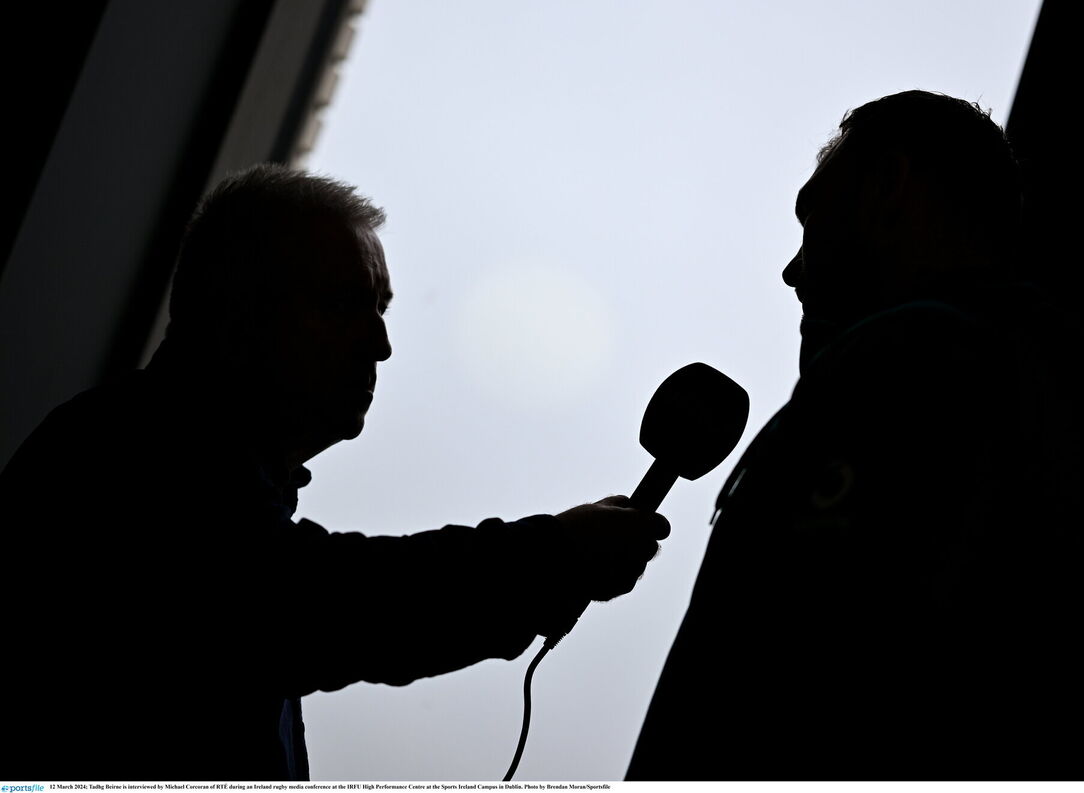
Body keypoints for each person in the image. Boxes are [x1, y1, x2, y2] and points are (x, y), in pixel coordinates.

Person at [0, 164, 669, 781]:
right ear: (236, 312)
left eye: (380, 308)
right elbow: (323, 602)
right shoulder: (126, 457)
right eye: (344, 304)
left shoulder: (174, 464)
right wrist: (553, 555)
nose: (379, 343)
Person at [626, 90, 1084, 780]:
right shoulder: (1076, 399)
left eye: (811, 217)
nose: (791, 270)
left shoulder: (911, 364)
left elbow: (800, 675)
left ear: (891, 185)